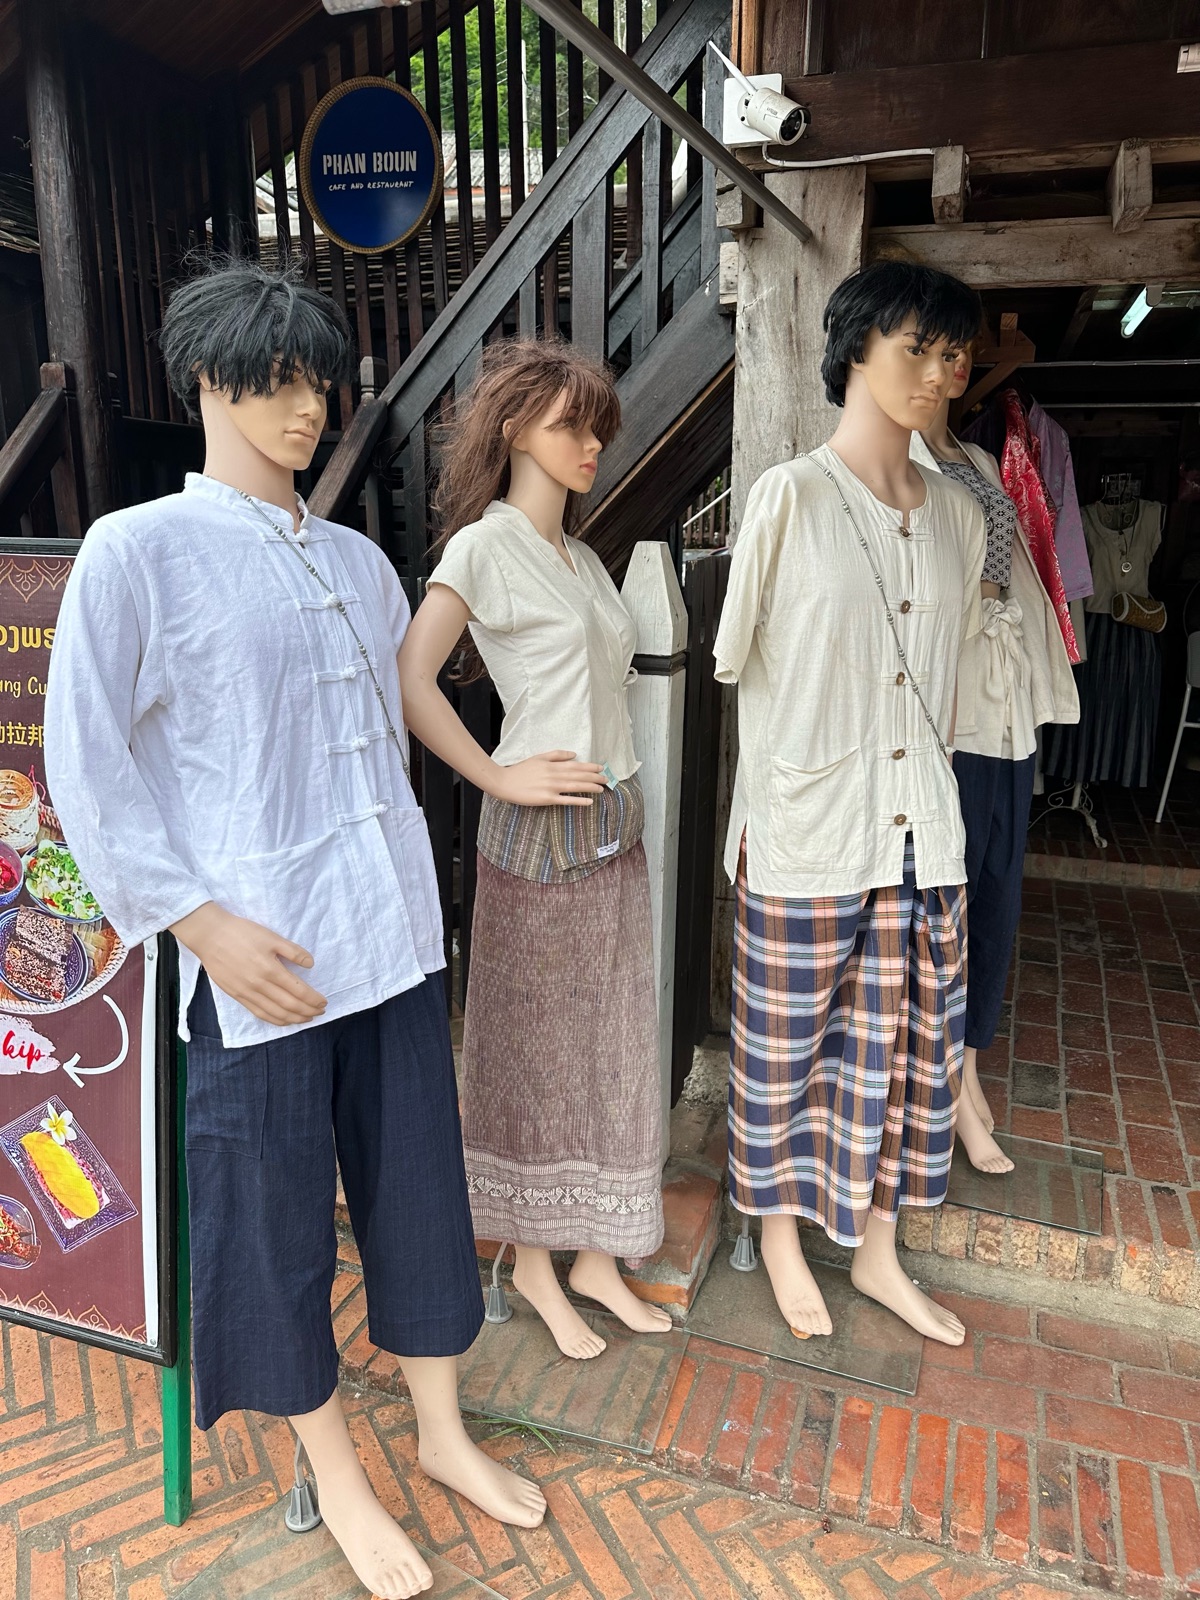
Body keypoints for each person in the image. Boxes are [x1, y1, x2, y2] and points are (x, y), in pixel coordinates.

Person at [45, 259, 544, 1600]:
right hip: (260, 963)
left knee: (418, 1193)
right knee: (270, 1223)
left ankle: (441, 1430)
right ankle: (336, 1470)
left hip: (388, 937)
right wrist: (198, 924)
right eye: (274, 380)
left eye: (319, 381)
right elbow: (85, 763)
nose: (306, 408)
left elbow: (380, 740)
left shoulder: (361, 564)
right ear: (208, 381)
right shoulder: (138, 553)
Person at [714, 260, 989, 1347]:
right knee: (787, 1047)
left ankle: (878, 1247)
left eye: (951, 355)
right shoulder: (788, 496)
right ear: (856, 349)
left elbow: (949, 679)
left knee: (909, 1052)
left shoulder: (962, 518)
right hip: (810, 827)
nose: (937, 372)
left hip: (924, 829)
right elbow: (741, 660)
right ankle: (780, 1231)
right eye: (916, 348)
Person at [397, 338, 670, 1363]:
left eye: (597, 426)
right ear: (514, 429)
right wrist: (496, 775)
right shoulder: (484, 548)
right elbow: (412, 679)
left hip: (614, 826)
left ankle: (595, 1255)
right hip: (541, 839)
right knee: (534, 1053)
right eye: (569, 425)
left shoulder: (585, 560)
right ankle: (534, 1264)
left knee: (612, 1048)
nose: (590, 443)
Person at [913, 349, 1078, 1165]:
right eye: (933, 350)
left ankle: (968, 1070)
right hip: (952, 713)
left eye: (958, 353)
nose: (950, 367)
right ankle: (949, 1082)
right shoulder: (901, 463)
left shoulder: (976, 458)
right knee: (950, 903)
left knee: (998, 895)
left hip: (1003, 704)